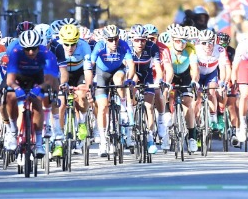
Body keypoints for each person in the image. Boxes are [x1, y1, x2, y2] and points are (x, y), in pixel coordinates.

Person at [84, 24, 134, 157]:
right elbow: (91, 65)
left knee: (119, 80)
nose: (114, 42)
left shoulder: (123, 45)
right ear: (105, 39)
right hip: (102, 74)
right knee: (102, 107)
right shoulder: (99, 46)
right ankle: (103, 141)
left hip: (118, 71)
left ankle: (123, 108)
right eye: (110, 39)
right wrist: (89, 84)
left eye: (116, 39)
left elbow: (131, 65)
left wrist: (129, 79)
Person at [4, 30, 49, 157]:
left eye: (34, 49)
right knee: (10, 96)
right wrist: (16, 88)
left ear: (38, 47)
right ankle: (13, 131)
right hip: (18, 77)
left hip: (37, 77)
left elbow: (49, 79)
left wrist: (40, 88)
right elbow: (10, 80)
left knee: (37, 100)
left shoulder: (45, 54)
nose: (31, 52)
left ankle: (39, 144)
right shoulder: (15, 53)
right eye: (27, 49)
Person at [52, 23, 92, 159]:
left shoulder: (84, 46)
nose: (70, 48)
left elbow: (87, 71)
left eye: (73, 44)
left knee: (81, 97)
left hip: (79, 74)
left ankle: (82, 122)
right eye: (66, 44)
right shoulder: (56, 46)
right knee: (61, 104)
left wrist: (88, 86)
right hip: (61, 75)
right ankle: (59, 137)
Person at [127, 24, 162, 155]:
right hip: (132, 73)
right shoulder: (127, 47)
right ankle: (131, 112)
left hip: (147, 75)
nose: (140, 43)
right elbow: (128, 68)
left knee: (149, 106)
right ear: (132, 39)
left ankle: (150, 138)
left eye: (143, 40)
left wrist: (159, 80)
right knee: (133, 80)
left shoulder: (152, 47)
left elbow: (158, 68)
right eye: (137, 40)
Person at [168, 25, 199, 153]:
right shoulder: (167, 49)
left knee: (188, 102)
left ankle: (192, 137)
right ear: (172, 40)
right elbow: (166, 68)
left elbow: (194, 68)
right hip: (171, 76)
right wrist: (167, 83)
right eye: (177, 41)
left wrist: (194, 81)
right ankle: (168, 124)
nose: (181, 44)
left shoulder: (190, 49)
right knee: (167, 96)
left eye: (184, 41)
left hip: (185, 75)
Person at [194, 29, 229, 133]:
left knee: (212, 92)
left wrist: (222, 81)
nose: (207, 45)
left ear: (214, 41)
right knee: (197, 99)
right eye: (204, 43)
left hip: (211, 73)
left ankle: (213, 119)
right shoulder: (196, 49)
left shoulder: (220, 50)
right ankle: (196, 122)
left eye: (210, 42)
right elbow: (194, 68)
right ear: (200, 42)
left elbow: (222, 68)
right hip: (198, 74)